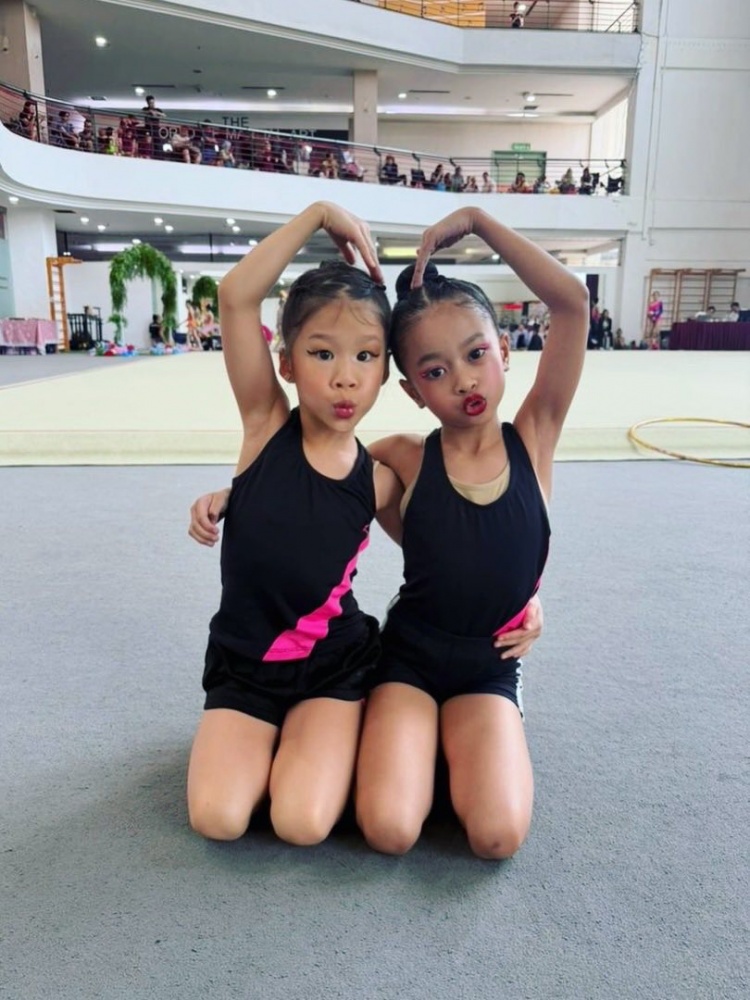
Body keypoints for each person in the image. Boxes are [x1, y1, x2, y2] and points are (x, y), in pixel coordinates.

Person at [354, 207, 588, 859]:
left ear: (504, 351)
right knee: (389, 829)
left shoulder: (534, 437)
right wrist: (237, 495)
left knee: (496, 836)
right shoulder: (404, 456)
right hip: (411, 657)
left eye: (476, 354)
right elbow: (313, 474)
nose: (462, 379)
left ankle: (448, 744)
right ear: (412, 391)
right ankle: (410, 739)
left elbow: (572, 304)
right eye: (434, 371)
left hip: (491, 663)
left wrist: (482, 223)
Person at [185, 201, 403, 847]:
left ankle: (342, 730)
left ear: (386, 369)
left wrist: (522, 602)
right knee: (218, 819)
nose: (345, 378)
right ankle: (271, 741)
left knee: (301, 823)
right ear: (286, 363)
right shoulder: (265, 424)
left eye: (366, 356)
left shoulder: (381, 478)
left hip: (331, 667)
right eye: (321, 353)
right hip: (246, 664)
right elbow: (235, 297)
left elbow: (449, 557)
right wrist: (318, 214)